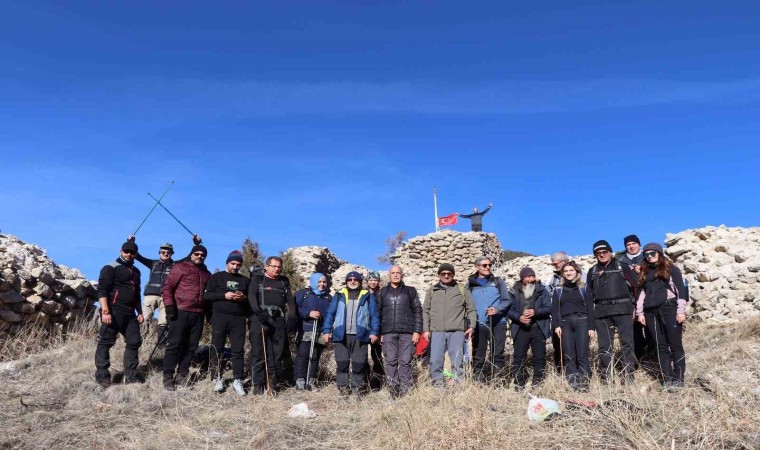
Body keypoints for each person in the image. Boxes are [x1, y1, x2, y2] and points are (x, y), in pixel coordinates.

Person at [128, 234, 201, 339]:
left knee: (164, 322)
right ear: (159, 253)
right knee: (144, 319)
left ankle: (161, 347)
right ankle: (140, 343)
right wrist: (131, 242)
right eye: (163, 251)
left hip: (166, 297)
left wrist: (196, 244)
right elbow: (137, 256)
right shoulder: (153, 263)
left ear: (171, 254)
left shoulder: (176, 265)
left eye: (168, 252)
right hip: (150, 295)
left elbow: (189, 257)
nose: (166, 253)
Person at [636, 243, 687, 390]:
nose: (650, 256)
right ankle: (667, 379)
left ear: (659, 253)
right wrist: (640, 313)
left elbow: (681, 291)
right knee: (660, 346)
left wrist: (681, 310)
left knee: (675, 344)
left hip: (669, 308)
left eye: (652, 253)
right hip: (650, 312)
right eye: (647, 254)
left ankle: (679, 378)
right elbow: (641, 294)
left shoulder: (671, 269)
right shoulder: (644, 272)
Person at [586, 240, 638, 384]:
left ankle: (629, 377)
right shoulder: (592, 271)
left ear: (610, 252)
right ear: (595, 255)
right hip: (602, 313)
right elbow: (589, 296)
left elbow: (636, 286)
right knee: (604, 346)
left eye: (604, 252)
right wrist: (591, 318)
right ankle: (606, 379)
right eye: (598, 253)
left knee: (627, 344)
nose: (602, 255)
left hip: (623, 311)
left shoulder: (623, 266)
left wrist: (635, 307)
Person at [94, 241, 144, 388]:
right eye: (126, 251)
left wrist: (139, 312)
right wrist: (105, 311)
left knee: (134, 342)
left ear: (135, 254)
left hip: (130, 313)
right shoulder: (110, 267)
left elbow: (137, 294)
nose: (129, 254)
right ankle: (102, 377)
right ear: (120, 251)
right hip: (113, 311)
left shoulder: (136, 271)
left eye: (132, 252)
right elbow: (102, 290)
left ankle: (131, 376)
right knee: (106, 342)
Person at [161, 244, 211, 391]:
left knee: (191, 347)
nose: (199, 256)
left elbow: (207, 297)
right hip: (180, 311)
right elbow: (167, 287)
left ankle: (183, 374)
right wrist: (170, 306)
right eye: (197, 254)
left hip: (198, 314)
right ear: (191, 254)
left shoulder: (207, 274)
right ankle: (168, 376)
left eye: (202, 255)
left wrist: (209, 314)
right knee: (174, 345)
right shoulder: (180, 267)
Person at [322, 271, 380, 396]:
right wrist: (326, 330)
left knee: (359, 363)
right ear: (346, 281)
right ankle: (343, 389)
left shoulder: (367, 295)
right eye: (350, 279)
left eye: (355, 279)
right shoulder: (339, 295)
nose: (352, 281)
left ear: (359, 281)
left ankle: (358, 389)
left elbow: (374, 315)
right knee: (342, 363)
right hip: (341, 335)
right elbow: (330, 314)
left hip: (361, 335)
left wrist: (374, 331)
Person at [248, 256, 297, 395]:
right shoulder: (258, 279)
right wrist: (258, 312)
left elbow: (290, 301)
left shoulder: (283, 281)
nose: (277, 269)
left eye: (279, 267)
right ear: (266, 266)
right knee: (259, 352)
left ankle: (272, 384)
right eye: (274, 266)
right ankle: (258, 384)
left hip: (279, 320)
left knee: (277, 353)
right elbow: (251, 296)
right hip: (261, 318)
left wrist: (292, 317)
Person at [422, 263, 477, 387]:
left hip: (457, 331)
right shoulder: (432, 290)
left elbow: (471, 309)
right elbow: (425, 310)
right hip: (437, 331)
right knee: (435, 360)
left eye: (449, 274)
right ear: (439, 275)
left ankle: (458, 387)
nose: (446, 276)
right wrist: (426, 329)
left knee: (457, 361)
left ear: (453, 275)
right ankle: (438, 387)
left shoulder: (462, 289)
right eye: (443, 274)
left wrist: (472, 326)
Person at [204, 250, 249, 396]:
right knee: (217, 348)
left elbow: (250, 300)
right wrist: (224, 295)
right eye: (233, 263)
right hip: (219, 316)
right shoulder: (216, 277)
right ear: (227, 263)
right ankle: (216, 378)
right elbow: (207, 295)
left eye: (238, 264)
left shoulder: (245, 280)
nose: (236, 267)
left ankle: (238, 379)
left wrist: (243, 297)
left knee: (238, 350)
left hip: (238, 318)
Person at [376, 265, 422, 398]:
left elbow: (417, 311)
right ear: (389, 275)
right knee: (390, 361)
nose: (396, 275)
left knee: (405, 361)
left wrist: (417, 331)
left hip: (407, 332)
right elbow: (377, 314)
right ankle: (393, 390)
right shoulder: (382, 292)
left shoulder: (410, 291)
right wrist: (379, 333)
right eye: (393, 273)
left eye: (398, 273)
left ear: (402, 275)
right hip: (388, 333)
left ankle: (406, 390)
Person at [502, 267, 551, 390]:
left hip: (538, 327)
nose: (531, 279)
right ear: (522, 278)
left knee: (539, 356)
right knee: (519, 357)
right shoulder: (513, 291)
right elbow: (509, 310)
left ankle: (537, 382)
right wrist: (519, 317)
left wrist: (536, 312)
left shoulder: (541, 290)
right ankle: (519, 383)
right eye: (528, 276)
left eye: (533, 276)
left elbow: (549, 308)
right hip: (520, 328)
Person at [551, 261, 595, 391]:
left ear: (577, 272)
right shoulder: (558, 290)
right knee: (569, 354)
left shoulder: (584, 288)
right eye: (566, 271)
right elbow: (555, 309)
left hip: (582, 321)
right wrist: (556, 325)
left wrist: (591, 327)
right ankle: (572, 384)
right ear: (563, 274)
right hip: (565, 324)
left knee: (582, 354)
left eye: (571, 270)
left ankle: (584, 384)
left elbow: (590, 308)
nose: (568, 273)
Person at [467, 256, 509, 383]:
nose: (488, 267)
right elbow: (466, 305)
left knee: (498, 354)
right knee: (478, 354)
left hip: (498, 323)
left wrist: (497, 309)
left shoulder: (498, 282)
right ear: (476, 267)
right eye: (484, 265)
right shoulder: (470, 285)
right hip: (479, 324)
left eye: (489, 265)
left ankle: (497, 382)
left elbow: (507, 300)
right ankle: (478, 381)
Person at [293, 273, 331, 391]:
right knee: (303, 355)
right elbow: (295, 308)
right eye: (319, 282)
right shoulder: (304, 293)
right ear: (314, 282)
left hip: (320, 330)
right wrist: (308, 314)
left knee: (315, 356)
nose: (322, 284)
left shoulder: (328, 297)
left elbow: (330, 315)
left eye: (324, 282)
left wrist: (328, 331)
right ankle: (300, 380)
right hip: (306, 328)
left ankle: (311, 380)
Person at [618, 234, 651, 363]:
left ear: (639, 244)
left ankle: (652, 355)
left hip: (648, 298)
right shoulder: (620, 261)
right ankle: (640, 358)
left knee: (650, 329)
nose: (631, 246)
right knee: (634, 332)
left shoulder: (648, 257)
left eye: (633, 243)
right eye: (628, 244)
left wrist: (643, 270)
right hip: (630, 301)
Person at [545, 251, 572, 373]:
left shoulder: (576, 273)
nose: (554, 266)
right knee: (558, 347)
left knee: (572, 346)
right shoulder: (553, 278)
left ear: (564, 261)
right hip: (558, 318)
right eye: (552, 264)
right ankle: (560, 372)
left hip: (572, 316)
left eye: (556, 264)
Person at [366, 271, 385, 391]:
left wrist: (380, 332)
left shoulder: (382, 294)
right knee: (362, 357)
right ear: (367, 281)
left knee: (377, 356)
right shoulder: (363, 293)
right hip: (364, 329)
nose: (373, 282)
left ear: (378, 281)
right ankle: (365, 379)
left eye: (375, 280)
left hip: (378, 330)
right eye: (371, 280)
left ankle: (377, 383)